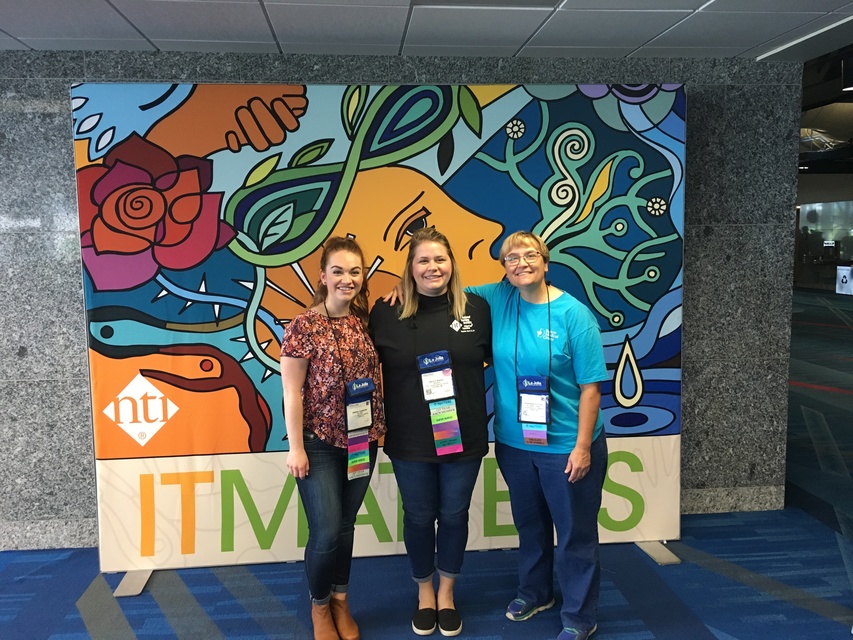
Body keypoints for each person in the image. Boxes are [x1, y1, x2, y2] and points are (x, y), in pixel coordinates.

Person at [466, 231, 608, 640]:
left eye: (530, 255)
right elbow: (442, 289)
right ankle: (536, 593)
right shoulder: (498, 297)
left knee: (575, 534)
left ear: (546, 262)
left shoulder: (574, 315)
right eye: (511, 257)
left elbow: (591, 389)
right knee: (530, 526)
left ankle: (579, 616)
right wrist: (401, 290)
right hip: (514, 444)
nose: (521, 263)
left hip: (566, 445)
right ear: (504, 268)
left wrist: (582, 448)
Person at [370, 227, 491, 637]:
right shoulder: (386, 312)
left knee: (454, 515)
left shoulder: (477, 309)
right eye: (423, 260)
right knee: (419, 517)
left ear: (452, 263)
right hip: (410, 440)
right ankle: (425, 592)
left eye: (440, 259)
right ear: (410, 267)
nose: (432, 267)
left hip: (464, 435)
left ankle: (447, 594)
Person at [280, 236, 386, 640]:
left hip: (361, 441)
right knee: (325, 532)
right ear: (322, 276)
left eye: (355, 271)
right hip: (318, 443)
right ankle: (320, 605)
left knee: (345, 526)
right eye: (338, 271)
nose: (347, 279)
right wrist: (296, 447)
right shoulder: (303, 326)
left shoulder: (364, 321)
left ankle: (341, 600)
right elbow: (291, 392)